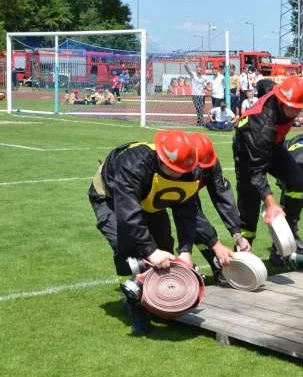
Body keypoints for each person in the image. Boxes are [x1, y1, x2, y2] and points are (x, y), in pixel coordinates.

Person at [88, 130, 233, 334]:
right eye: (173, 169)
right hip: (111, 197)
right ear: (160, 159)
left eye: (182, 171)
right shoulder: (133, 164)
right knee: (129, 251)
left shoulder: (190, 171)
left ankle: (161, 299)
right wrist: (150, 251)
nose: (178, 175)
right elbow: (128, 213)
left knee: (164, 245)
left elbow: (188, 212)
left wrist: (185, 251)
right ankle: (134, 305)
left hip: (151, 199)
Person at [232, 75, 303, 250]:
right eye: (294, 108)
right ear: (282, 102)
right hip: (247, 154)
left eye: (301, 108)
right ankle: (243, 255)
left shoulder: (276, 90)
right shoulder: (262, 126)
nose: (297, 113)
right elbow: (256, 171)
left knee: (299, 182)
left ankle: (290, 232)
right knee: (250, 204)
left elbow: (263, 84)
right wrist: (270, 204)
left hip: (274, 146)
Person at [188, 133, 251, 283]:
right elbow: (191, 212)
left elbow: (222, 196)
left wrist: (237, 234)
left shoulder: (211, 163)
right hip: (154, 194)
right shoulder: (181, 168)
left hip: (190, 189)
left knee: (198, 228)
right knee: (191, 224)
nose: (202, 171)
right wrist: (215, 243)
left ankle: (216, 266)